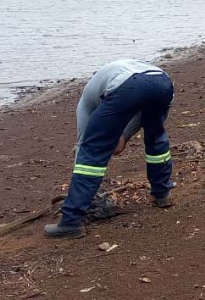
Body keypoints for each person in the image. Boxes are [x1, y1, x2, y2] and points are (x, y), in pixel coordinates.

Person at [45, 59, 175, 238]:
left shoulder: (86, 101)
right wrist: (123, 136)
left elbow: (85, 144)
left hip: (129, 85)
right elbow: (143, 112)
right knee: (156, 137)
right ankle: (163, 194)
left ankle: (70, 221)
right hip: (163, 82)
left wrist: (122, 137)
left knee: (92, 151)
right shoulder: (115, 72)